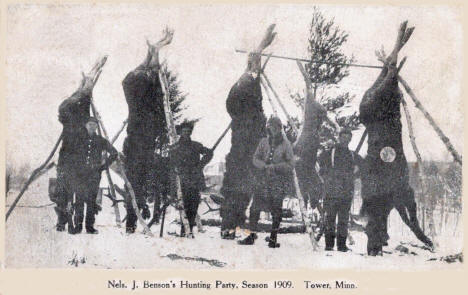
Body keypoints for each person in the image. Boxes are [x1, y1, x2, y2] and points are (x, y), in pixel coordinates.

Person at [237, 116, 294, 248]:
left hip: (278, 181)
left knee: (276, 210)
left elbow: (291, 164)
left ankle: (273, 238)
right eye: (270, 127)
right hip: (263, 181)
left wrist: (276, 167)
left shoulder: (286, 145)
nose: (273, 130)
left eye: (275, 127)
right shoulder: (264, 142)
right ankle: (251, 235)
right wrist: (263, 165)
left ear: (280, 128)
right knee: (254, 208)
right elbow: (255, 158)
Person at [71, 117, 118, 234]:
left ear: (97, 127)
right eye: (90, 124)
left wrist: (103, 166)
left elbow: (114, 153)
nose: (92, 127)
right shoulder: (78, 139)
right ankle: (78, 226)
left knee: (91, 200)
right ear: (86, 125)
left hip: (94, 175)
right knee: (79, 199)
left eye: (94, 125)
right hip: (80, 174)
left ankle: (89, 227)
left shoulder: (100, 140)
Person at [318, 128, 360, 251]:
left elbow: (361, 168)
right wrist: (328, 177)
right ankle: (329, 245)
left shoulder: (352, 155)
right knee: (330, 219)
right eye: (343, 137)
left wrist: (354, 174)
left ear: (350, 140)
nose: (345, 140)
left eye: (348, 138)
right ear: (339, 137)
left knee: (343, 220)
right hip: (331, 192)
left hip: (346, 193)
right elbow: (321, 166)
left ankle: (341, 246)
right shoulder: (329, 153)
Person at [169, 121, 213, 237]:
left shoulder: (196, 145)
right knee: (183, 205)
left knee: (193, 205)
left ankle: (189, 230)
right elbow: (171, 165)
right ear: (180, 133)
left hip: (194, 179)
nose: (186, 133)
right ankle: (185, 230)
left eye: (188, 131)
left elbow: (209, 153)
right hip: (182, 181)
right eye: (184, 131)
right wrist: (176, 171)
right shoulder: (174, 148)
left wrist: (200, 165)